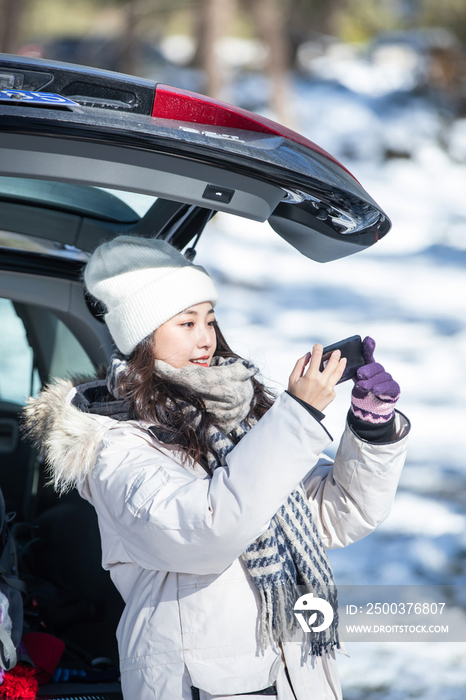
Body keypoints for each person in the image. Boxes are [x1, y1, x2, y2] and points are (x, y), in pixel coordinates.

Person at [23, 235, 410, 700]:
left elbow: (335, 514)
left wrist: (371, 432)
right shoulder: (115, 446)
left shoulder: (238, 415)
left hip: (292, 670)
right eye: (186, 323)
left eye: (209, 319)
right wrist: (297, 417)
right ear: (142, 336)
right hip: (202, 685)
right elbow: (204, 533)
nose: (206, 338)